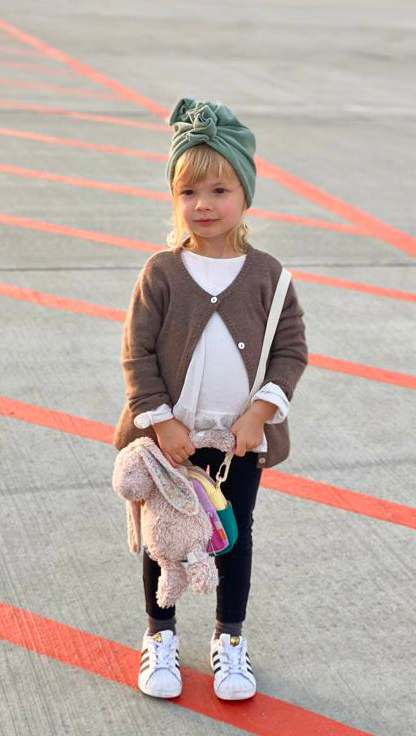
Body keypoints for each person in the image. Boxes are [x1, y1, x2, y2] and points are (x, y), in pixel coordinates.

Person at [113, 97, 308, 701]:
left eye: (219, 190)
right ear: (174, 199)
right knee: (162, 535)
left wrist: (259, 414)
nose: (203, 203)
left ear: (245, 196)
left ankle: (230, 640)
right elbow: (136, 354)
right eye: (189, 192)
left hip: (236, 442)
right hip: (168, 438)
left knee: (232, 534)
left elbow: (290, 350)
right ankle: (160, 634)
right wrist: (160, 422)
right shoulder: (162, 272)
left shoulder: (269, 275)